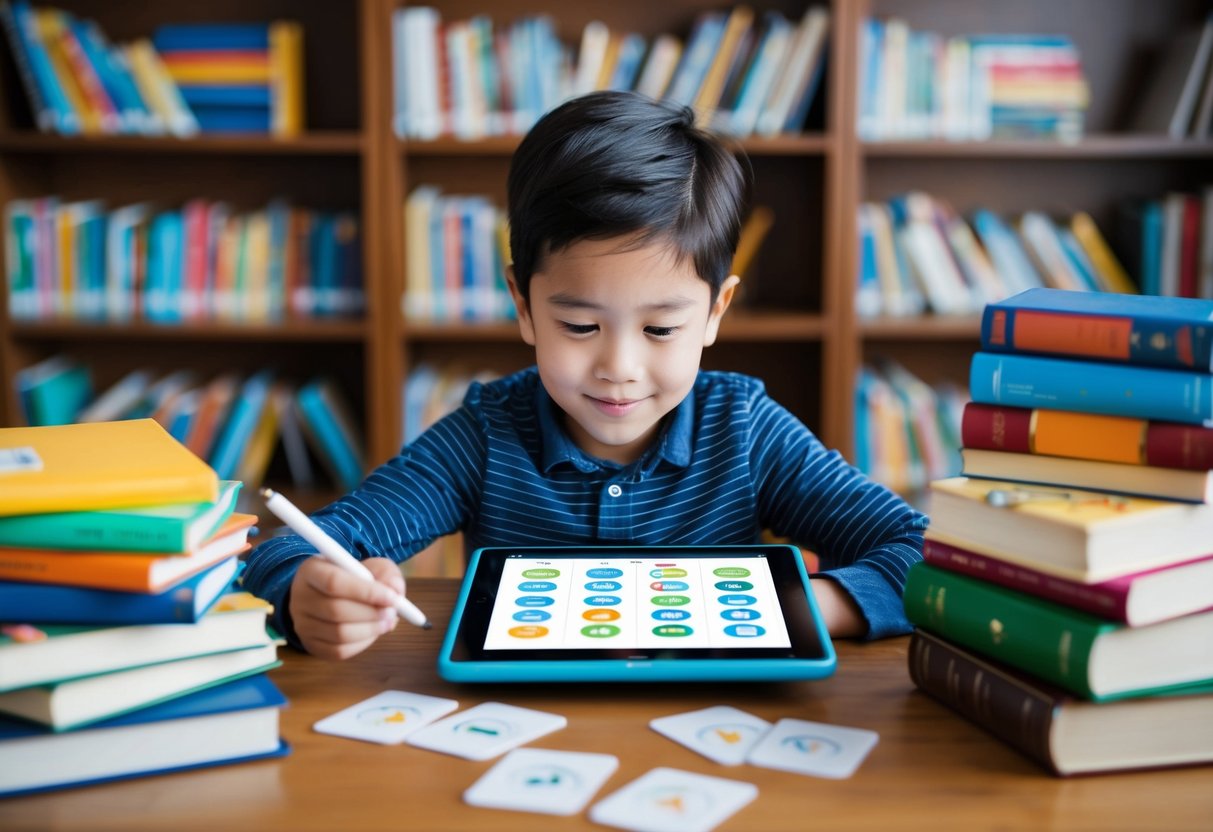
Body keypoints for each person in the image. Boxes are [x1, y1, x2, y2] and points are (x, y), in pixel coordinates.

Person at [243, 91, 928, 660]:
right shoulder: (484, 436)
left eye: (661, 329)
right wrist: (308, 590)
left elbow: (924, 555)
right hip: (518, 739)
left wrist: (817, 608)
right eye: (579, 327)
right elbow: (295, 547)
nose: (619, 370)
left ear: (715, 312)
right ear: (524, 305)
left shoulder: (745, 430)